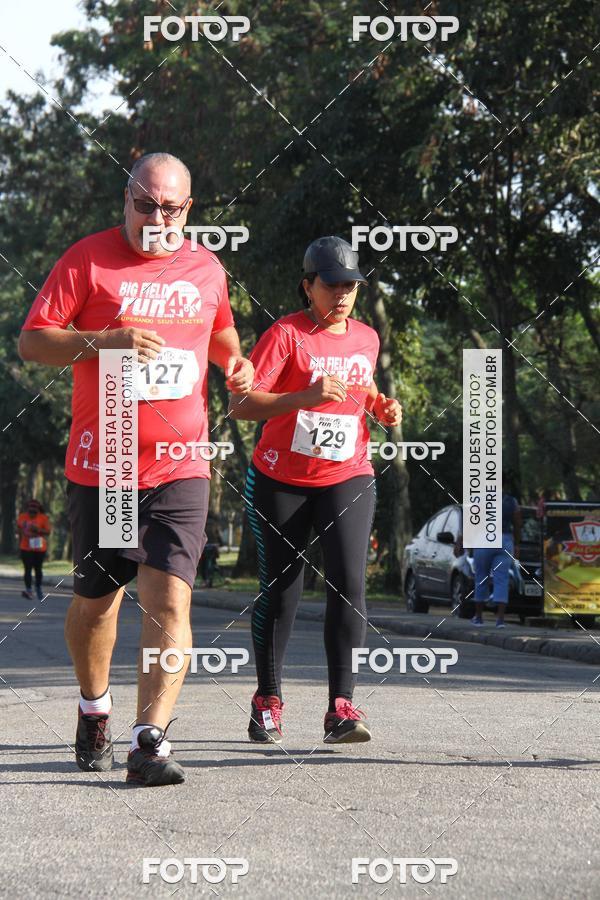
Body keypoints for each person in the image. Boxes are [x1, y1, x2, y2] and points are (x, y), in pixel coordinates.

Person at [18, 153, 253, 786]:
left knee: (170, 596)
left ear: (189, 208)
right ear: (125, 199)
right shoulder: (86, 260)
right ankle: (96, 707)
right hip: (107, 464)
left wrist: (240, 367)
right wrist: (102, 340)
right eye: (144, 204)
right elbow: (33, 341)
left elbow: (223, 337)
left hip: (182, 463)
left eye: (169, 208)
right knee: (98, 603)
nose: (155, 217)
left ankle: (150, 741)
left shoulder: (207, 268)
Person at [229, 235, 401, 744]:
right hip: (282, 478)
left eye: (350, 286)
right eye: (332, 285)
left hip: (347, 474)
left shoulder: (367, 337)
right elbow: (242, 405)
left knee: (349, 584)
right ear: (308, 286)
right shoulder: (285, 334)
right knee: (282, 591)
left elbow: (362, 388)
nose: (343, 294)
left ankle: (341, 708)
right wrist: (302, 396)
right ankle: (268, 699)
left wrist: (379, 407)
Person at [456, 485, 521, 628]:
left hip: (484, 539)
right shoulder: (511, 501)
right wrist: (517, 544)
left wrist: (464, 541)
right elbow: (517, 523)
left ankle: (479, 617)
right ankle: (500, 620)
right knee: (502, 579)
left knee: (481, 578)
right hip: (505, 540)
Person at [16, 499, 51, 601]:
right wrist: (24, 532)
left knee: (38, 569)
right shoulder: (22, 516)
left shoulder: (43, 518)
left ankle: (38, 587)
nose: (31, 514)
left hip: (39, 547)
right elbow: (17, 529)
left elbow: (48, 532)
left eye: (34, 512)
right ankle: (28, 590)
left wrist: (38, 530)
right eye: (30, 511)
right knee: (27, 568)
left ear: (38, 510)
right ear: (27, 510)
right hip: (26, 547)